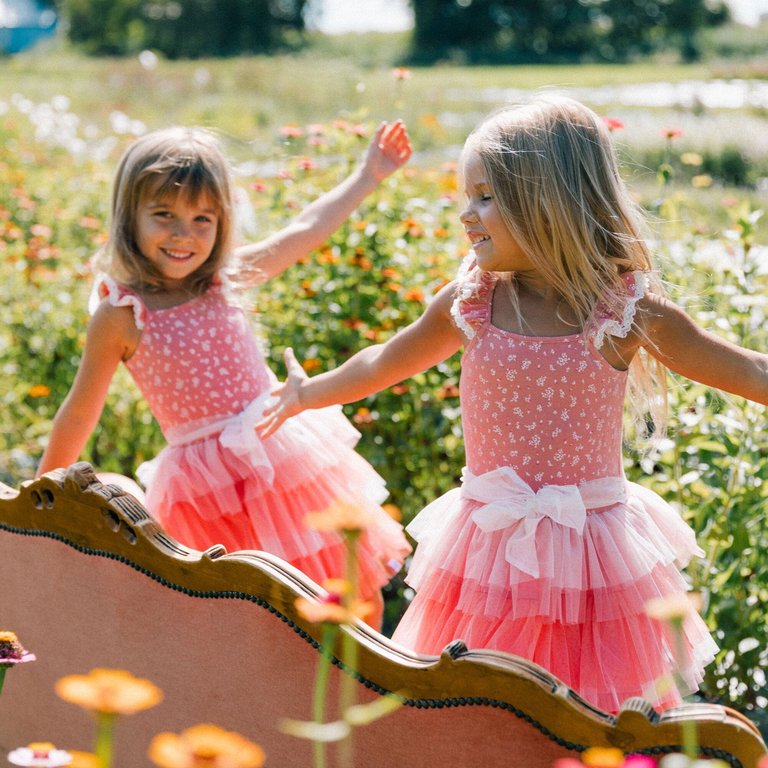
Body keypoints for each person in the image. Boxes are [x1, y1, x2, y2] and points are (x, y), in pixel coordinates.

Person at [257, 95, 768, 713]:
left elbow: (745, 370)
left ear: (549, 199)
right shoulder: (472, 302)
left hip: (593, 552)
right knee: (476, 709)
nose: (467, 215)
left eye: (485, 196)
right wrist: (308, 392)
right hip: (488, 545)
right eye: (465, 196)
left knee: (593, 715)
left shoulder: (624, 312)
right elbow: (387, 360)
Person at [36, 121, 414, 628]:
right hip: (202, 490)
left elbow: (304, 230)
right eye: (163, 215)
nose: (182, 234)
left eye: (201, 219)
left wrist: (368, 175)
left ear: (221, 222)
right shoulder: (123, 313)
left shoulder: (222, 279)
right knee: (241, 620)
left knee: (343, 596)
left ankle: (349, 692)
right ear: (130, 217)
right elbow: (81, 409)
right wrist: (39, 498)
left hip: (280, 457)